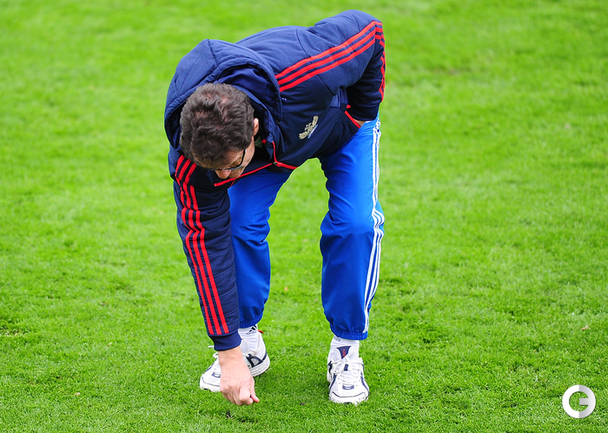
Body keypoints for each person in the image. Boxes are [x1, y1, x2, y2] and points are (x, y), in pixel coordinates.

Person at [164, 10, 385, 406]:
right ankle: (248, 341)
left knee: (356, 225)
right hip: (270, 147)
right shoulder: (193, 153)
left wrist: (360, 113)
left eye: (231, 166)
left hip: (336, 120)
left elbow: (368, 29)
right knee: (236, 223)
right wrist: (228, 351)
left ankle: (346, 349)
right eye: (214, 171)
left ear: (251, 129)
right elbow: (204, 244)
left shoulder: (311, 68)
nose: (223, 178)